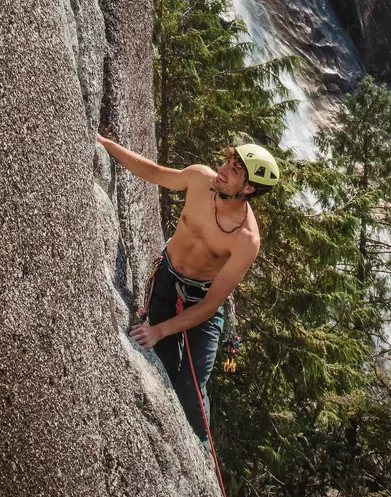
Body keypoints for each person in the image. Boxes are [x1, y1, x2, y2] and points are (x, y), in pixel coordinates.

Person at [95, 137, 279, 443]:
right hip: (166, 283)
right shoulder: (199, 179)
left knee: (192, 391)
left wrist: (160, 330)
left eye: (234, 170)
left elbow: (210, 306)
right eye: (228, 163)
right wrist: (103, 142)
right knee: (164, 368)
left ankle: (201, 450)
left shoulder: (246, 240)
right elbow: (151, 171)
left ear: (249, 189)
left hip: (203, 302)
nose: (223, 170)